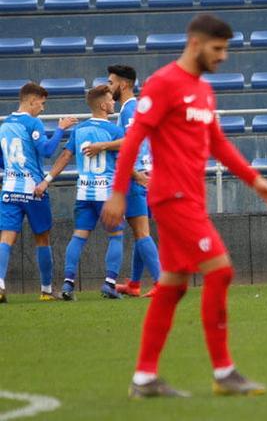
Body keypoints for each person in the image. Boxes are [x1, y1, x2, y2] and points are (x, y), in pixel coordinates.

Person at [100, 13, 267, 398]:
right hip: (171, 197)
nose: (223, 57)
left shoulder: (203, 91)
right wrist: (118, 192)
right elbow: (134, 140)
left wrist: (256, 181)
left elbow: (217, 144)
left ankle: (144, 379)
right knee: (220, 272)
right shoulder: (164, 83)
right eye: (218, 49)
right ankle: (224, 372)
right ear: (195, 44)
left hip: (192, 199)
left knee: (173, 286)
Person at [41, 85, 126, 300]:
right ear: (102, 104)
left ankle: (68, 285)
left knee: (78, 237)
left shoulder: (79, 130)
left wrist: (47, 180)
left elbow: (64, 157)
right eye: (110, 99)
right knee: (116, 236)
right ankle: (109, 283)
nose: (113, 102)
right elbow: (130, 145)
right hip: (106, 194)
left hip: (84, 193)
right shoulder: (114, 130)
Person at [84, 64, 161, 297]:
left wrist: (102, 145)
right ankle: (135, 284)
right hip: (146, 173)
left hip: (135, 175)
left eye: (111, 82)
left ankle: (162, 283)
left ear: (123, 84)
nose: (109, 86)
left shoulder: (129, 109)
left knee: (141, 231)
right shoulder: (139, 107)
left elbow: (130, 141)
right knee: (141, 228)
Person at [0, 82, 77, 303]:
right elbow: (46, 150)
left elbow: (1, 158)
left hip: (9, 190)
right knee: (42, 239)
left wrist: (14, 172)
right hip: (34, 191)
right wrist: (61, 128)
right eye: (42, 104)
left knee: (6, 238)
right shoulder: (32, 123)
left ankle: (0, 284)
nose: (42, 109)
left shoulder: (4, 125)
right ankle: (45, 290)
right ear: (32, 100)